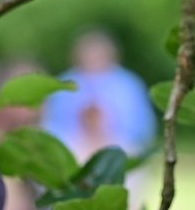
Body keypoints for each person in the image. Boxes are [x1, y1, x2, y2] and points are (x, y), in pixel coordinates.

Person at [43, 32, 156, 160]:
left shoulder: (127, 84)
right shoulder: (65, 83)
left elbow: (141, 127)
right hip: (74, 147)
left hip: (118, 146)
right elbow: (53, 125)